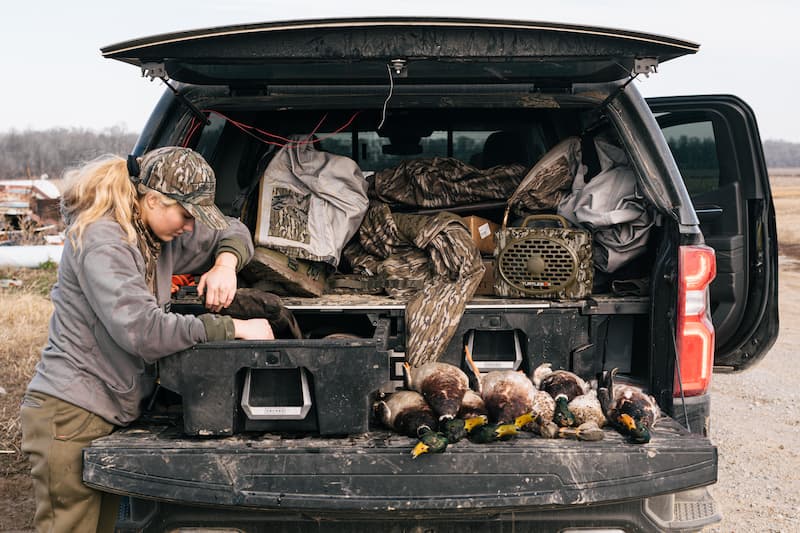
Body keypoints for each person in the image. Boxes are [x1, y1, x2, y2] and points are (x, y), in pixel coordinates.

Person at [20, 146, 273, 533]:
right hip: (69, 415)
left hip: (106, 410)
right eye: (186, 215)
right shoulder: (103, 240)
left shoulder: (155, 234)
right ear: (153, 199)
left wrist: (225, 264)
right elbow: (143, 331)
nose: (190, 228)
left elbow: (232, 229)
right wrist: (234, 328)